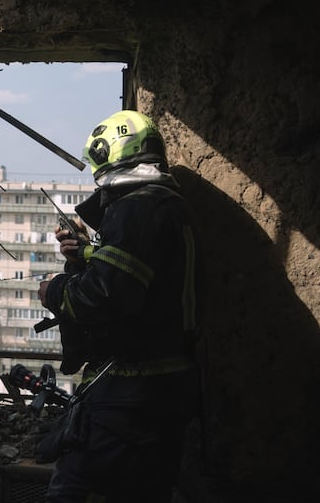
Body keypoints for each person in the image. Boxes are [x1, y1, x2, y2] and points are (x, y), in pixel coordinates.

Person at [37, 110, 201, 502]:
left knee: (72, 490)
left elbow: (104, 297)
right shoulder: (169, 204)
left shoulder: (138, 208)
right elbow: (139, 280)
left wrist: (56, 289)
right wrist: (86, 254)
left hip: (129, 396)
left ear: (105, 154)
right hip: (163, 390)